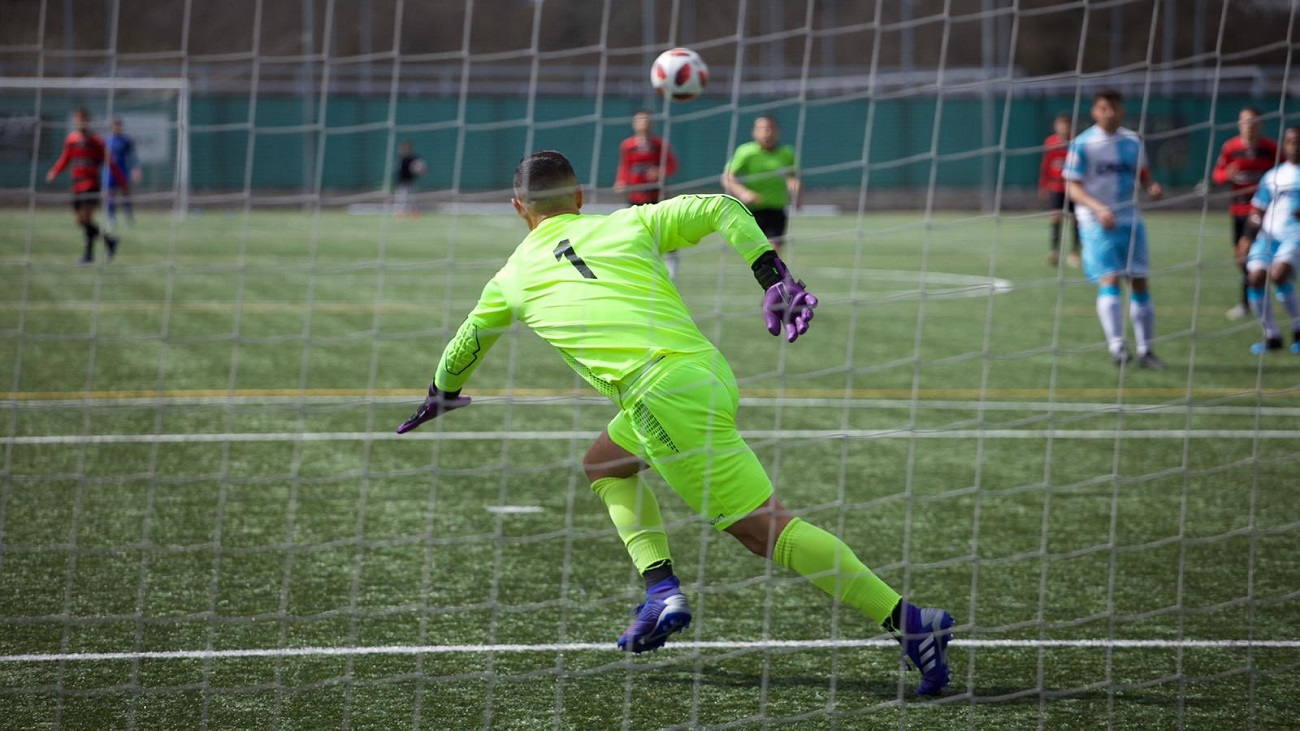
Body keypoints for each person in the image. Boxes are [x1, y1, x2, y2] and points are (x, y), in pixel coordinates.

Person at [395, 150, 955, 697]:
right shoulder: (627, 222)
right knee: (605, 463)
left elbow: (466, 343)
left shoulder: (511, 277)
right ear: (581, 198)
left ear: (519, 208)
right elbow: (722, 208)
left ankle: (909, 622)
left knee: (765, 531)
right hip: (703, 371)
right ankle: (660, 588)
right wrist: (771, 275)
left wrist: (441, 394)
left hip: (657, 397)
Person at [1063, 90, 1165, 369]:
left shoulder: (1132, 141)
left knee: (1139, 280)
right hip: (1097, 221)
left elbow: (1143, 175)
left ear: (1121, 110)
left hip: (1130, 219)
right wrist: (1098, 208)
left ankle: (1146, 351)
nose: (1110, 113)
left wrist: (1151, 188)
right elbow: (1072, 186)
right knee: (1109, 278)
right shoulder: (1083, 144)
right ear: (1095, 112)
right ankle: (1118, 347)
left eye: (1114, 108)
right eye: (1104, 108)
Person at [1235, 126, 1300, 355]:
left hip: (1294, 236)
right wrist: (1246, 238)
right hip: (1267, 236)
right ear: (1285, 145)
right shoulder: (1273, 176)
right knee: (1255, 278)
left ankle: (1297, 329)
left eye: (1298, 141)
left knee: (1279, 274)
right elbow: (1258, 209)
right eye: (1290, 141)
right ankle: (1271, 335)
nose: (1294, 145)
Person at [1213, 107, 1278, 321]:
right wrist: (1226, 175)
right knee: (1241, 259)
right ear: (1239, 124)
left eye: (1253, 121)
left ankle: (1249, 301)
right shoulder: (1230, 148)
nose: (1249, 125)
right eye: (1245, 121)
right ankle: (1252, 298)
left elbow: (1284, 171)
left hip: (1264, 213)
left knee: (1254, 256)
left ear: (1260, 124)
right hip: (1239, 212)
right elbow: (1217, 174)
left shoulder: (1271, 149)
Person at [46, 107, 127, 264]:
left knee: (86, 218)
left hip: (91, 184)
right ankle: (109, 241)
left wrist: (121, 182)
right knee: (80, 221)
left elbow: (109, 162)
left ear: (88, 121)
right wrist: (55, 171)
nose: (80, 122)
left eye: (83, 119)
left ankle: (89, 255)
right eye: (78, 119)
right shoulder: (72, 140)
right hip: (76, 184)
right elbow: (65, 158)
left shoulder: (96, 141)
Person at [614, 110, 680, 277]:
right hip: (636, 195)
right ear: (634, 124)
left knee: (665, 228)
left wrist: (659, 172)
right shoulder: (627, 145)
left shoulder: (659, 144)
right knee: (636, 230)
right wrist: (621, 181)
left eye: (646, 120)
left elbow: (672, 166)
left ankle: (671, 263)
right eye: (639, 120)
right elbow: (624, 166)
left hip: (657, 195)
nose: (643, 123)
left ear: (651, 124)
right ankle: (637, 265)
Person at [721, 116, 801, 253]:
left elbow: (793, 177)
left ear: (777, 132)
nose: (766, 133)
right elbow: (727, 176)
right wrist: (743, 193)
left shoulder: (787, 153)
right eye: (762, 129)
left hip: (776, 210)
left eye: (770, 129)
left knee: (772, 252)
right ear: (754, 132)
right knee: (755, 253)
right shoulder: (746, 152)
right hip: (752, 211)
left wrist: (797, 195)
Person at [1040, 112, 1081, 268]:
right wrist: (1043, 185)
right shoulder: (1050, 142)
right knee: (1055, 218)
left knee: (1075, 219)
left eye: (1065, 124)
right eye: (1059, 124)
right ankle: (1054, 251)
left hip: (1072, 187)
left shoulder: (1077, 143)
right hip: (1056, 187)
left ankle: (1075, 252)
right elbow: (1045, 166)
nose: (1062, 127)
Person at [103, 116, 142, 231]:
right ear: (111, 127)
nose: (117, 127)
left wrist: (135, 169)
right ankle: (111, 219)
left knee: (126, 194)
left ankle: (128, 216)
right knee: (110, 195)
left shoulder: (126, 140)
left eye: (119, 125)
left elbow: (132, 156)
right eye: (115, 125)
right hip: (109, 172)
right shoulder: (106, 140)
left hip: (122, 170)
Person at [394, 140, 426, 218]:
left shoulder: (414, 158)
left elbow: (421, 167)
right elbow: (397, 170)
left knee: (413, 199)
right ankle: (401, 213)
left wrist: (420, 170)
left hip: (411, 182)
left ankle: (415, 213)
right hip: (402, 183)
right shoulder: (400, 159)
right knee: (401, 199)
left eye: (406, 147)